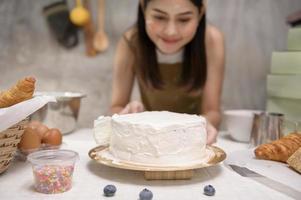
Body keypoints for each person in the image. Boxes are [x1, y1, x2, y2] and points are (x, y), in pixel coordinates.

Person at [109, 0, 225, 144]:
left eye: (184, 19)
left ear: (200, 13)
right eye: (159, 17)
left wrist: (204, 122)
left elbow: (212, 111)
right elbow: (116, 106)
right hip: (149, 140)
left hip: (190, 141)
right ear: (143, 7)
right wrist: (128, 114)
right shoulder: (131, 41)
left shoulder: (211, 39)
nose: (171, 31)